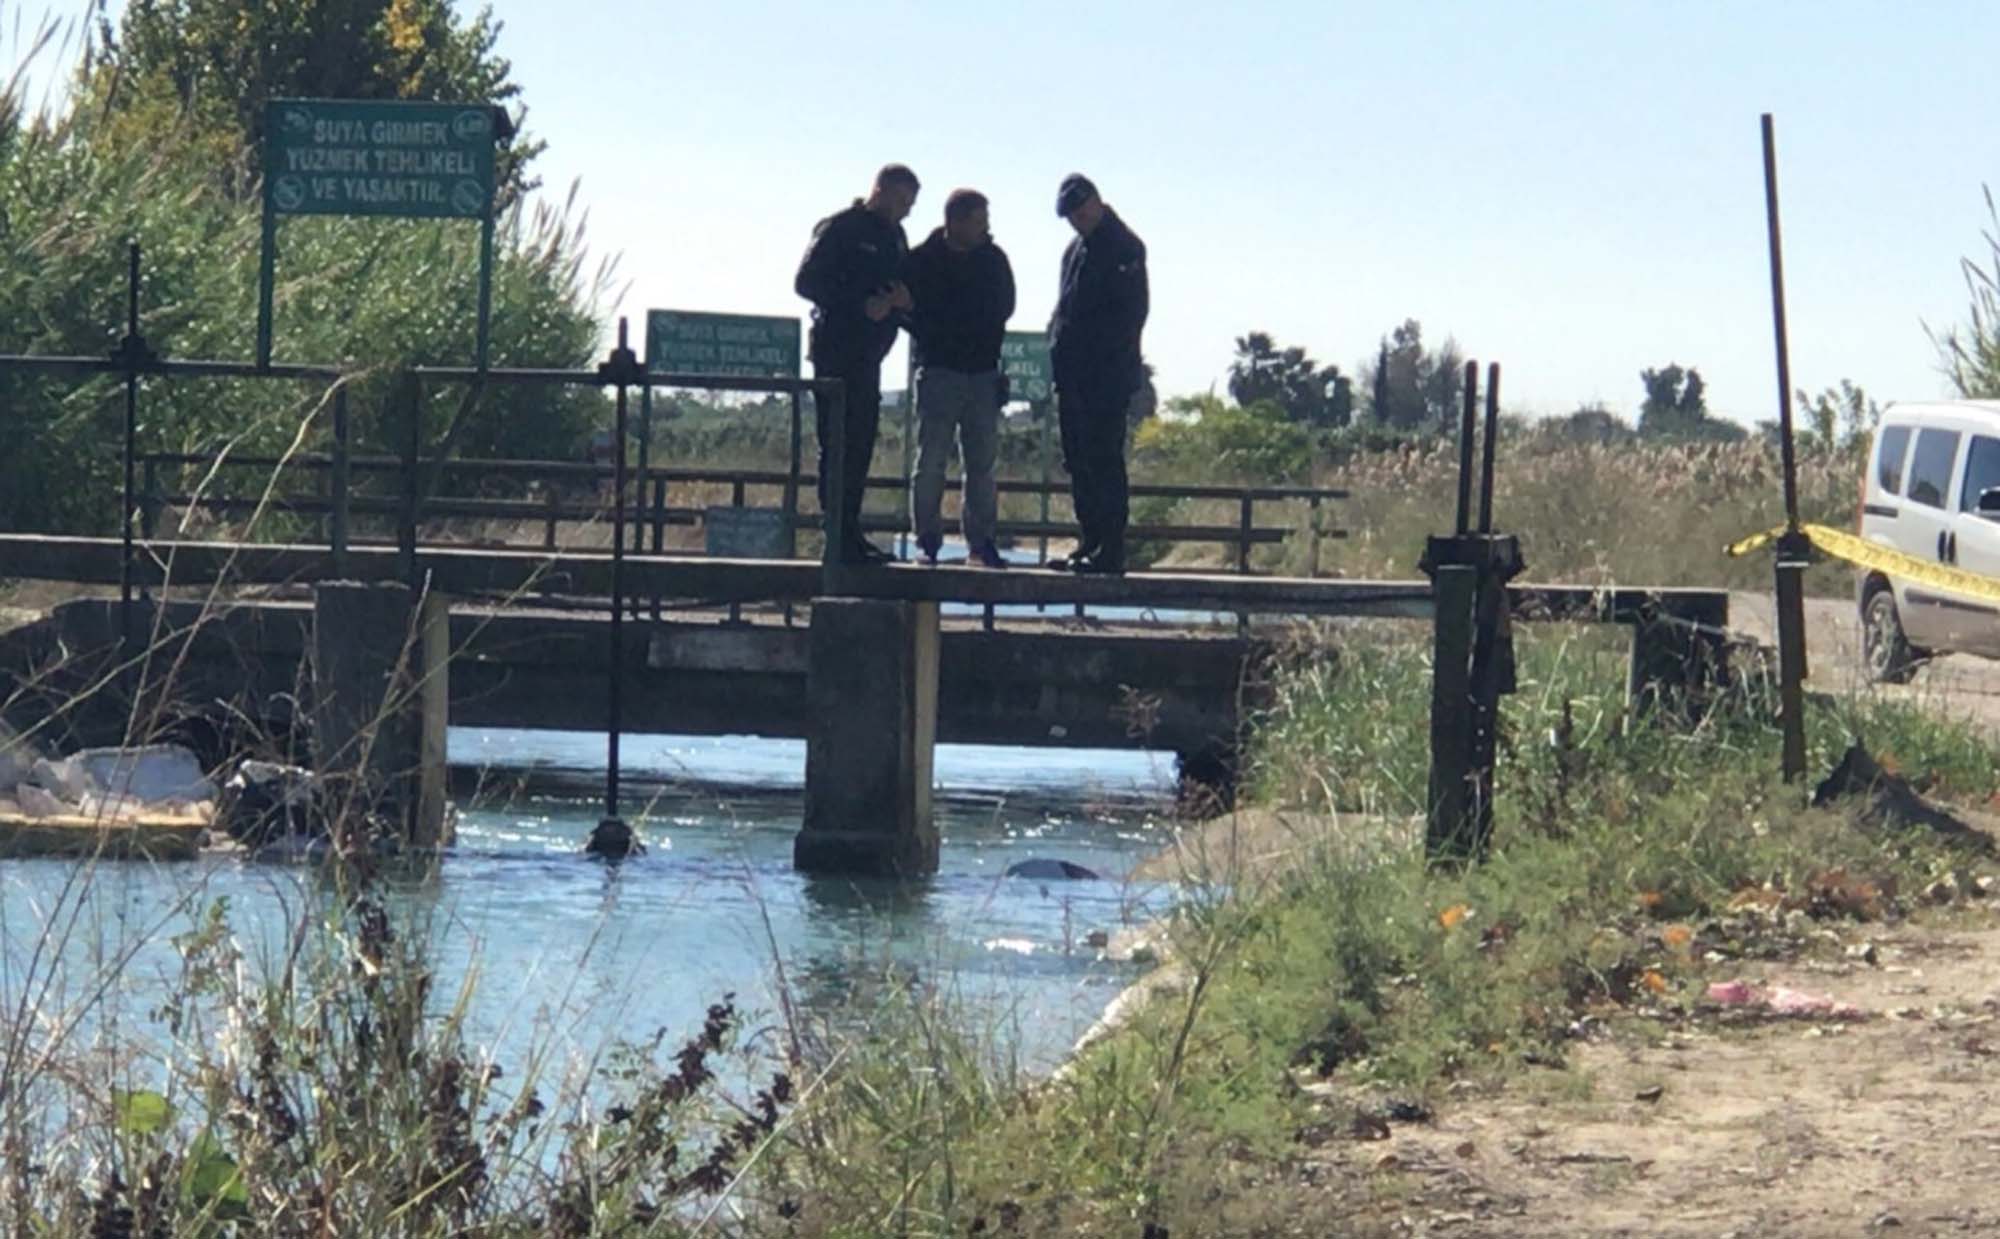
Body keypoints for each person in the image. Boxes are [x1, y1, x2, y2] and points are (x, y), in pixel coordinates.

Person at [794, 164, 919, 563]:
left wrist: (902, 302)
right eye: (901, 200)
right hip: (837, 351)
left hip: (870, 356)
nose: (905, 211)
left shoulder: (896, 238)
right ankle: (836, 535)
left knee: (861, 446)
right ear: (880, 191)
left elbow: (902, 285)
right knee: (837, 445)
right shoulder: (841, 228)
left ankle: (852, 532)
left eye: (911, 204)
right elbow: (806, 282)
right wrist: (860, 302)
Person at [902, 188, 1017, 568]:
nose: (985, 229)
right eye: (978, 221)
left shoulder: (994, 260)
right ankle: (927, 540)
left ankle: (981, 543)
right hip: (938, 371)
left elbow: (1005, 307)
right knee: (931, 459)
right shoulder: (922, 259)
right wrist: (947, 324)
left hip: (983, 374)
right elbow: (908, 311)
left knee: (982, 464)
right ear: (956, 221)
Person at [1047, 173, 1148, 575]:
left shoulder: (1124, 246)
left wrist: (1094, 359)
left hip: (1105, 375)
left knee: (1104, 459)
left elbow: (1129, 316)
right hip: (1072, 375)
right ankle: (1090, 539)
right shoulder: (1075, 249)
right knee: (1078, 459)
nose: (1077, 219)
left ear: (1096, 202)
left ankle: (1110, 547)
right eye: (1072, 215)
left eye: (1081, 210)